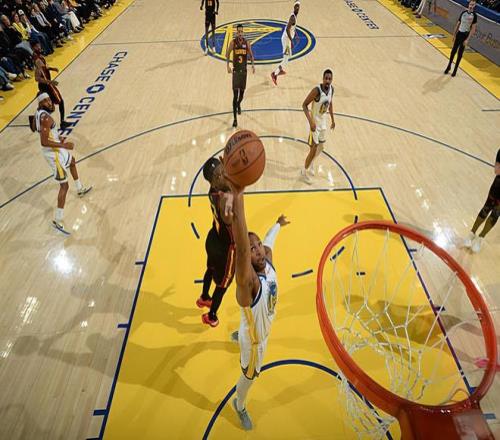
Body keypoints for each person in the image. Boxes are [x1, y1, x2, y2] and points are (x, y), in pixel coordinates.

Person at [227, 179, 289, 431]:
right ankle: (239, 404)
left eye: (258, 246)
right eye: (252, 250)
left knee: (248, 319)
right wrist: (238, 197)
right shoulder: (249, 282)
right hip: (254, 344)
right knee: (249, 376)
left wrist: (277, 224)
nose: (258, 250)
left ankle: (239, 332)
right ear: (247, 260)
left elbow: (269, 242)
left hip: (254, 325)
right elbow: (241, 250)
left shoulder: (268, 261)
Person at [34, 93, 92, 235]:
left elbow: (36, 128)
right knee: (64, 186)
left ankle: (80, 188)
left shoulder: (38, 113)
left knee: (72, 161)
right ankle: (57, 220)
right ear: (41, 103)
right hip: (53, 154)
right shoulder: (45, 118)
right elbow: (44, 141)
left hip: (56, 149)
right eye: (45, 101)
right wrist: (64, 145)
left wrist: (56, 136)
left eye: (49, 99)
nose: (49, 102)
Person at [196, 157, 235, 327]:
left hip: (213, 237)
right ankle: (211, 316)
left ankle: (204, 297)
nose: (222, 176)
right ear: (212, 182)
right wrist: (234, 189)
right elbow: (229, 218)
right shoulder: (224, 198)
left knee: (210, 269)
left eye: (222, 171)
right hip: (226, 247)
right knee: (224, 283)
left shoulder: (212, 191)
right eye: (217, 176)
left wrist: (227, 172)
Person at [300, 69, 335, 184]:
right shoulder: (317, 91)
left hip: (323, 123)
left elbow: (330, 104)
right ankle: (303, 172)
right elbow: (304, 105)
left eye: (329, 79)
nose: (327, 81)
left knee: (321, 148)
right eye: (326, 78)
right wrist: (311, 122)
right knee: (313, 148)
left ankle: (311, 163)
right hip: (314, 124)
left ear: (331, 80)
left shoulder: (331, 89)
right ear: (323, 78)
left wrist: (333, 120)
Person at [464, 149, 500, 253]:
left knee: (496, 214)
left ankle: (480, 238)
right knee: (486, 208)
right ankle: (472, 234)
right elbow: (497, 171)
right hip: (497, 186)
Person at [33, 41, 69, 129]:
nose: (39, 47)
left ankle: (37, 121)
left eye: (39, 45)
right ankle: (62, 122)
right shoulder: (37, 60)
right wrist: (50, 82)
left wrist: (52, 68)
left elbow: (45, 67)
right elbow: (37, 78)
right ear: (33, 48)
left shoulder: (40, 57)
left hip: (47, 84)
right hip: (47, 85)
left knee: (47, 106)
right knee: (60, 101)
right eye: (37, 46)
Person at [226, 23, 255, 128]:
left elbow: (251, 55)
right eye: (238, 31)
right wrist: (228, 66)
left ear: (243, 32)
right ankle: (235, 119)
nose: (240, 33)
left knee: (241, 95)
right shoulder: (233, 43)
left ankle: (239, 104)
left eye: (241, 31)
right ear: (236, 32)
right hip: (236, 72)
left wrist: (253, 65)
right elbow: (227, 53)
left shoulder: (247, 43)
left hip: (244, 72)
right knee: (235, 96)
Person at [444, 0, 477, 77]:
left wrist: (467, 39)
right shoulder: (463, 13)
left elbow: (473, 29)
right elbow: (458, 24)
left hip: (465, 35)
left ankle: (455, 70)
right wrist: (454, 35)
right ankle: (449, 66)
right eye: (470, 4)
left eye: (473, 5)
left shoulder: (474, 16)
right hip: (459, 34)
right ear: (468, 4)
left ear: (474, 6)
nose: (471, 6)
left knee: (460, 54)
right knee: (453, 51)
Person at [271, 1, 300, 86]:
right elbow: (287, 29)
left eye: (298, 6)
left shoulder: (295, 16)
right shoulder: (293, 17)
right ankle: (275, 74)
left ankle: (281, 68)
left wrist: (296, 35)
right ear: (294, 7)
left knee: (289, 55)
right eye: (296, 6)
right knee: (286, 58)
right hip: (286, 39)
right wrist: (291, 41)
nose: (297, 8)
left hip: (287, 39)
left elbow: (292, 28)